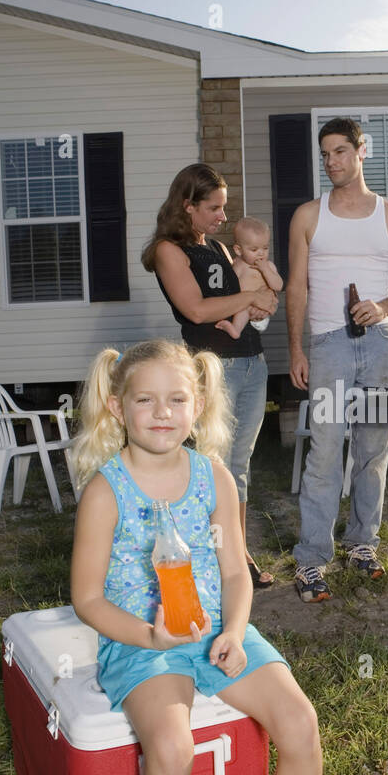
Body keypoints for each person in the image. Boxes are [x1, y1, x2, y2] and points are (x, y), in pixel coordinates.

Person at [70, 340, 331, 775]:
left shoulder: (213, 474)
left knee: (300, 722)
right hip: (142, 643)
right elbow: (85, 599)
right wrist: (150, 638)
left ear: (199, 405)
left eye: (177, 399)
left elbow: (237, 572)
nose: (163, 413)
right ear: (117, 406)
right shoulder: (105, 492)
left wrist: (236, 631)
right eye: (146, 400)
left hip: (217, 630)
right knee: (173, 748)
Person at [287, 116, 388, 602]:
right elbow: (296, 288)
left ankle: (362, 544)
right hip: (328, 345)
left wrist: (383, 306)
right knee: (324, 453)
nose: (332, 162)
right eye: (325, 154)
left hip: (380, 343)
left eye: (340, 151)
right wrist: (296, 347)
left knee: (373, 450)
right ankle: (310, 561)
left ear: (362, 152)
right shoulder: (308, 215)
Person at [142, 164, 277, 587]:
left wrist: (257, 303)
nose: (223, 216)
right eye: (214, 208)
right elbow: (197, 309)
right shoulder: (169, 249)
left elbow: (235, 299)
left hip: (253, 361)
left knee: (239, 466)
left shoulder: (218, 248)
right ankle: (209, 556)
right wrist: (250, 296)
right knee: (212, 465)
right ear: (189, 206)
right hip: (215, 368)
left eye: (223, 207)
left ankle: (236, 553)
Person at [215, 217, 283, 339]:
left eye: (265, 248)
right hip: (244, 308)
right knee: (243, 308)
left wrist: (265, 270)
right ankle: (236, 330)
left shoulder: (268, 266)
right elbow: (229, 286)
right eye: (254, 249)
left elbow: (278, 285)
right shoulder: (238, 265)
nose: (261, 253)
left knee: (245, 307)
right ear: (238, 250)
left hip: (263, 311)